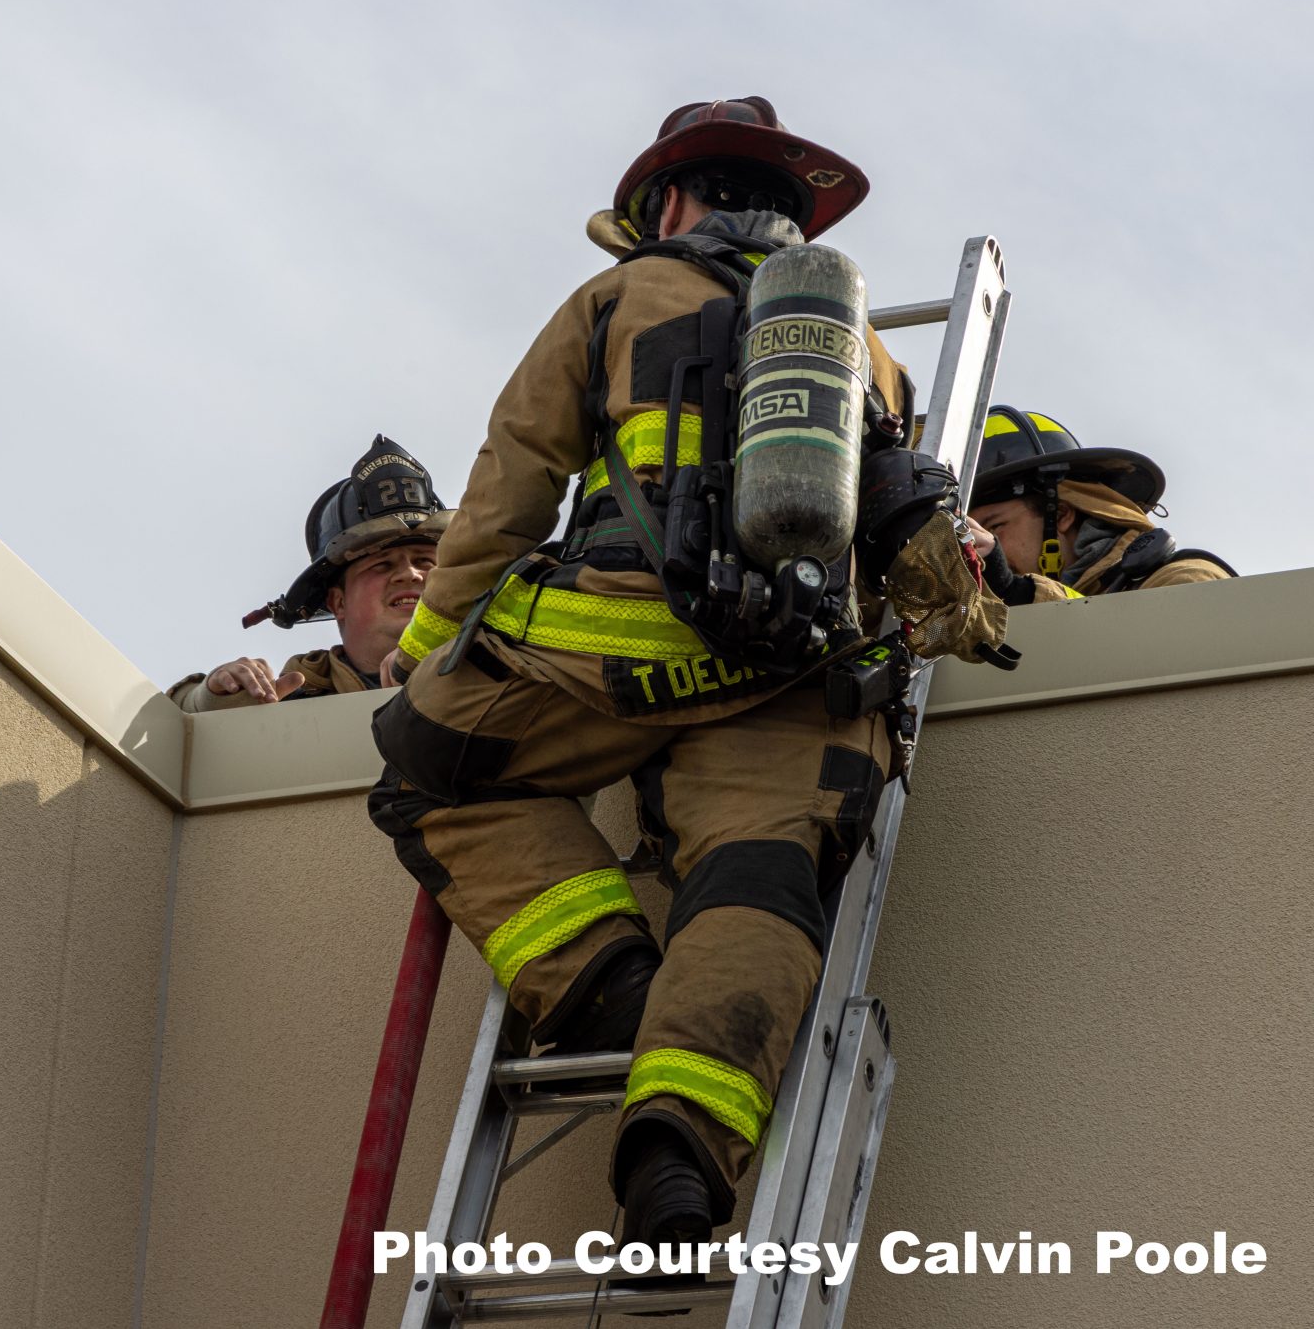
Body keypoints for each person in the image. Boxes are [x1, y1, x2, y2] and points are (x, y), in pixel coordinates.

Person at [365, 98, 1006, 1246]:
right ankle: (679, 1154)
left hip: (612, 647)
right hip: (798, 673)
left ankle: (610, 986)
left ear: (666, 201)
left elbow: (507, 491)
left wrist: (418, 663)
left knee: (422, 768)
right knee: (758, 879)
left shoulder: (618, 293)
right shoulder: (869, 354)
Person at [165, 436, 448, 712]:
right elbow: (169, 721)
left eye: (424, 561)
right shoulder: (287, 706)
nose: (410, 574)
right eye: (382, 565)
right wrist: (216, 701)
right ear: (338, 602)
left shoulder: (478, 677)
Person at [967, 406, 1234, 602]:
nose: (978, 548)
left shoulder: (1184, 581)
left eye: (994, 526)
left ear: (1060, 515)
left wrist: (1018, 593)